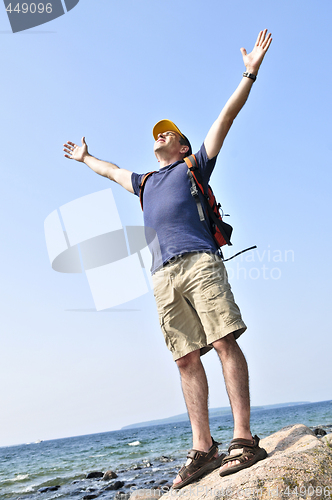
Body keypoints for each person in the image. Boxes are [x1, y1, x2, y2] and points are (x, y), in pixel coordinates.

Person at [64, 29, 272, 487]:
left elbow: (226, 117)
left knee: (223, 342)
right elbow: (112, 171)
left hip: (199, 262)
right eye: (156, 135)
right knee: (184, 359)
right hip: (162, 276)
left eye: (169, 134)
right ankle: (204, 449)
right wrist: (85, 158)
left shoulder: (193, 165)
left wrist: (249, 74)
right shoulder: (145, 182)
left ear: (181, 146)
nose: (159, 137)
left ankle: (244, 439)